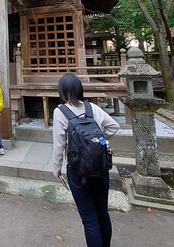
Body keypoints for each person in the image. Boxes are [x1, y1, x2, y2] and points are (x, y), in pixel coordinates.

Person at [52, 73, 120, 247]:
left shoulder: (61, 112)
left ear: (62, 91)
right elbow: (114, 126)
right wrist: (99, 141)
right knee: (102, 214)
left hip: (78, 170)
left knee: (89, 219)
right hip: (101, 168)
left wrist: (56, 168)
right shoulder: (92, 108)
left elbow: (59, 144)